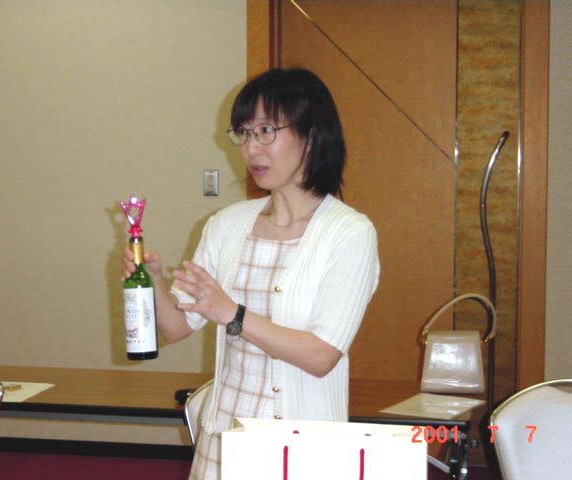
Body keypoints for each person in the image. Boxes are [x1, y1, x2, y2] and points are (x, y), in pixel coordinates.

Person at [122, 68, 380, 480]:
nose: (250, 148)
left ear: (312, 135)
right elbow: (175, 328)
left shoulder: (349, 233)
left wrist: (234, 314)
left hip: (303, 449)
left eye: (265, 131)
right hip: (225, 439)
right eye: (243, 133)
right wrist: (149, 283)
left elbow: (321, 356)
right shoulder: (226, 225)